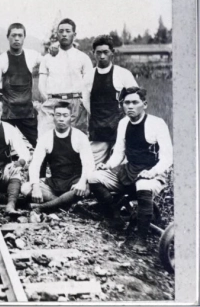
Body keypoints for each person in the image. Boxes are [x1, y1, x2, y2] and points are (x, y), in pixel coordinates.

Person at [89, 86, 173, 252]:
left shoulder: (157, 124)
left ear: (145, 104)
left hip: (153, 174)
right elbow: (119, 152)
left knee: (143, 185)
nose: (130, 106)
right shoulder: (123, 123)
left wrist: (152, 172)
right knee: (93, 177)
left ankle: (141, 239)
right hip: (129, 172)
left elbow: (168, 157)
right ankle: (114, 217)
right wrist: (108, 165)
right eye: (126, 102)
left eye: (135, 102)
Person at [24, 100, 93, 220]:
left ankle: (44, 207)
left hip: (74, 184)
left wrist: (82, 182)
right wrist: (35, 187)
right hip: (55, 183)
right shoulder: (46, 137)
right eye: (58, 115)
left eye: (65, 115)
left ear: (71, 118)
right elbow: (35, 164)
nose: (61, 119)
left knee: (86, 188)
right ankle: (66, 205)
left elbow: (89, 164)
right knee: (25, 188)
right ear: (53, 117)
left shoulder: (79, 137)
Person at [82, 35, 137, 166]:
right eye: (98, 52)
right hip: (98, 131)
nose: (102, 56)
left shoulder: (123, 74)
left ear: (112, 53)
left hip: (120, 129)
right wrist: (99, 117)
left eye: (105, 52)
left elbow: (136, 99)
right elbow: (85, 101)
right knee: (91, 168)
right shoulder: (88, 76)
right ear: (93, 53)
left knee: (121, 166)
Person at [0, 23, 42, 148]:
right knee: (0, 146)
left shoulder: (32, 55)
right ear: (8, 37)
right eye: (14, 35)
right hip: (8, 112)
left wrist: (54, 51)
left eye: (20, 35)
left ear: (24, 37)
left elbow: (48, 63)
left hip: (27, 112)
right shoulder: (0, 60)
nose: (17, 38)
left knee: (40, 143)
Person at [38, 18, 92, 134]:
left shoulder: (83, 58)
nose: (64, 34)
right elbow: (41, 84)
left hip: (75, 104)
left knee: (76, 140)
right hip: (52, 103)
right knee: (46, 138)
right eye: (61, 31)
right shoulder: (48, 58)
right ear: (57, 34)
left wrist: (83, 104)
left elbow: (89, 84)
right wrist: (48, 99)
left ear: (74, 34)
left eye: (68, 31)